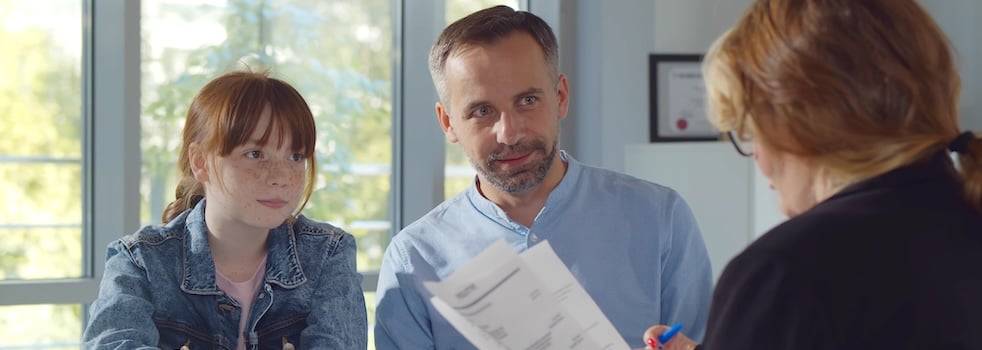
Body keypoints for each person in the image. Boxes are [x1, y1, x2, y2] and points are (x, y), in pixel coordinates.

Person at [642, 0, 982, 349]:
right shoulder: (966, 220)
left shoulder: (785, 275)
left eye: (749, 131)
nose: (757, 158)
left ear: (796, 121)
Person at [374, 5, 713, 349]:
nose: (509, 133)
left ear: (561, 97)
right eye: (482, 111)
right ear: (448, 122)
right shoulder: (413, 259)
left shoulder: (660, 219)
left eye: (528, 100)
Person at [83, 71, 367, 349]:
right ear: (200, 162)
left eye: (296, 156)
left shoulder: (328, 255)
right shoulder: (140, 262)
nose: (281, 176)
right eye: (255, 154)